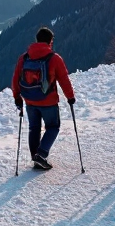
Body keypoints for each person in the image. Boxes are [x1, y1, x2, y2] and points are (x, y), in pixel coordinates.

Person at [12, 27, 76, 170]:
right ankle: (41, 155)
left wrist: (17, 97)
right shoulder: (54, 58)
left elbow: (16, 78)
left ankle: (36, 157)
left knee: (34, 128)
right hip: (48, 101)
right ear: (50, 41)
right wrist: (70, 97)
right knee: (53, 127)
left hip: (29, 100)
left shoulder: (24, 58)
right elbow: (64, 80)